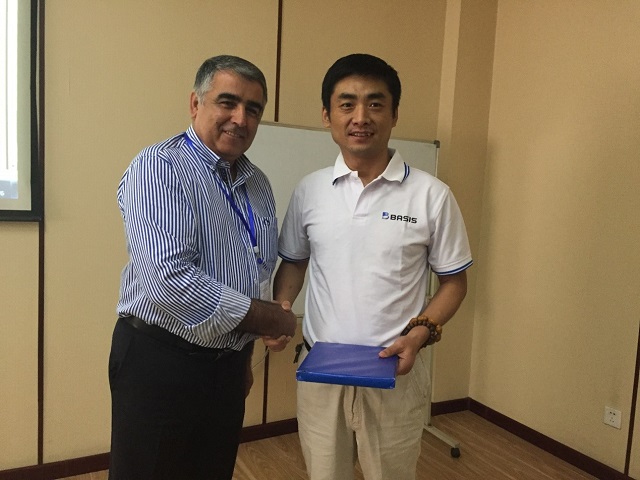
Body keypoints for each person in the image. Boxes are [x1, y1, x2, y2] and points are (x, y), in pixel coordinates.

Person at [273, 53, 473, 480]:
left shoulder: (431, 195)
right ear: (327, 115)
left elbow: (454, 282)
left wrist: (418, 334)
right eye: (346, 104)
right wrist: (281, 308)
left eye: (375, 103)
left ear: (394, 114)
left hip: (395, 373)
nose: (360, 117)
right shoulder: (309, 191)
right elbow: (294, 263)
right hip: (321, 373)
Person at [108, 55, 296, 480]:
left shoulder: (258, 183)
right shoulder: (160, 167)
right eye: (227, 102)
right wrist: (271, 318)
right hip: (161, 361)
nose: (240, 118)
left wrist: (244, 355)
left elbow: (254, 274)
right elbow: (169, 282)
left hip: (227, 367)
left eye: (253, 109)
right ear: (195, 104)